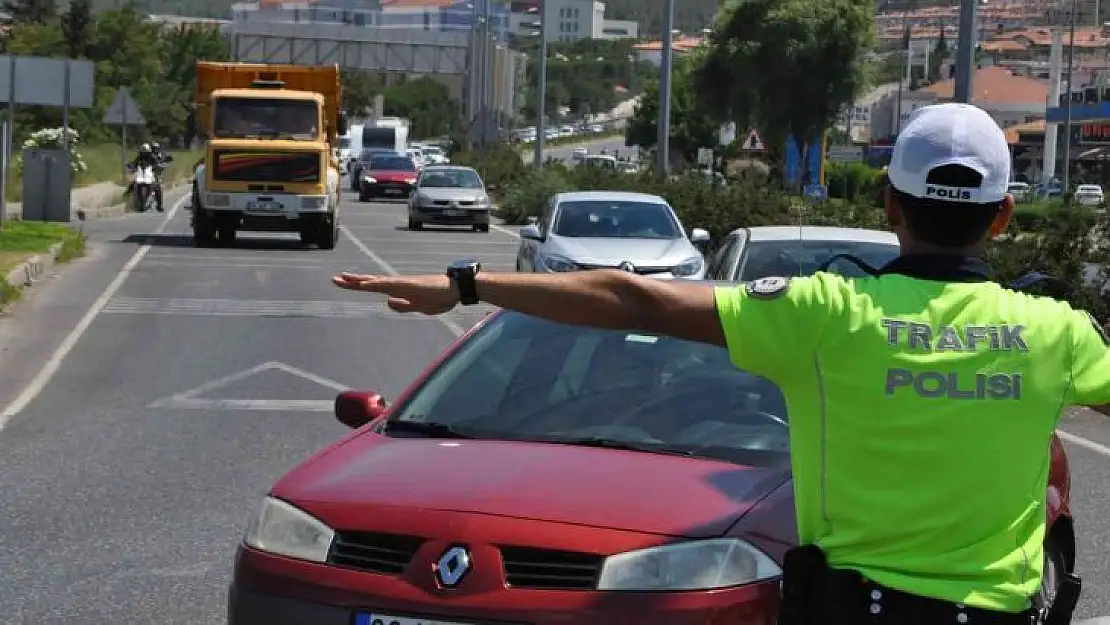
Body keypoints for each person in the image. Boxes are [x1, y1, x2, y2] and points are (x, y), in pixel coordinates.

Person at [333, 103, 1107, 623]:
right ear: (1003, 216)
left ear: (888, 205)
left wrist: (465, 284)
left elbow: (633, 300)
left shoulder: (826, 313)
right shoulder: (1057, 333)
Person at [127, 143, 164, 212]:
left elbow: (157, 164)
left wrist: (158, 168)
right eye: (143, 153)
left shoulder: (153, 157)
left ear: (149, 152)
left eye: (146, 153)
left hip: (150, 175)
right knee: (132, 184)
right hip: (141, 174)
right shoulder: (139, 157)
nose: (144, 154)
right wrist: (131, 165)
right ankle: (126, 199)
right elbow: (134, 163)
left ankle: (159, 206)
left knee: (157, 186)